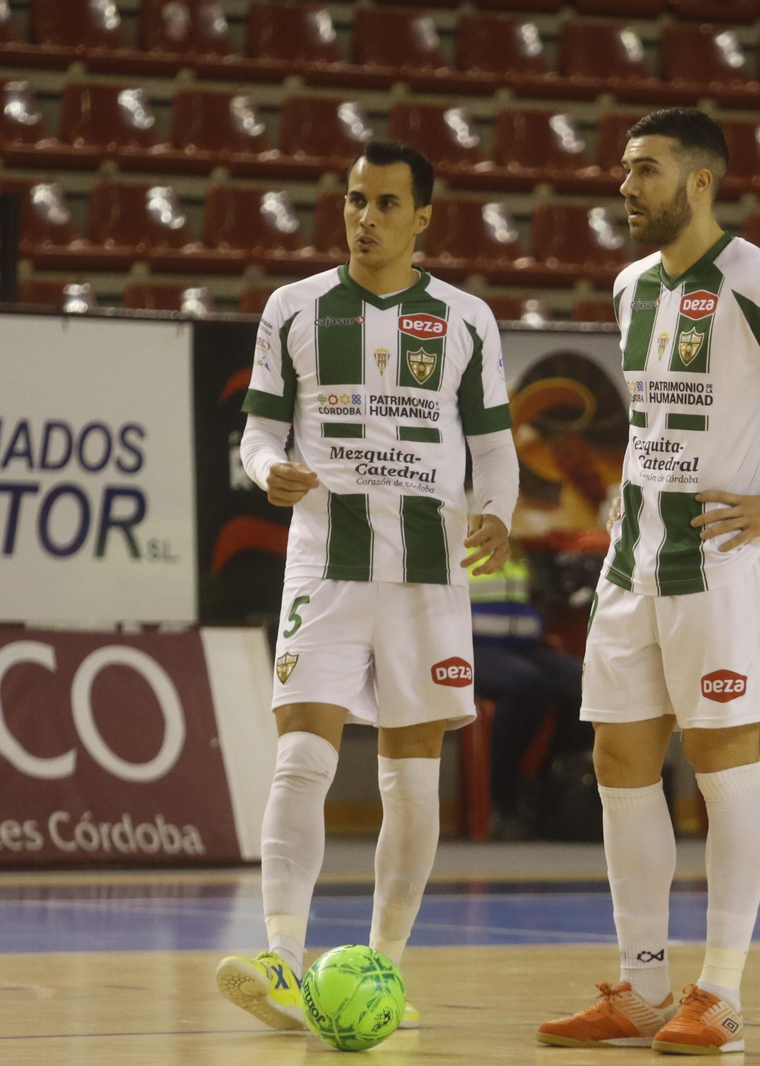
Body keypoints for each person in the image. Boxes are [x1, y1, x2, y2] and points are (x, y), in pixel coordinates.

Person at [535, 108, 760, 1054]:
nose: (624, 187)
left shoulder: (758, 281)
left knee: (721, 765)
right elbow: (661, 416)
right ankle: (644, 992)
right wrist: (624, 491)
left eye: (645, 170)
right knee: (621, 764)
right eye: (623, 169)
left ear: (700, 181)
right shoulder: (628, 287)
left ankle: (723, 993)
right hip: (635, 559)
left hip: (724, 560)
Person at [215, 141, 520, 1032]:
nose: (366, 217)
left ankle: (383, 968)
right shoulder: (294, 306)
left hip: (430, 576)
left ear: (423, 217)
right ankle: (280, 955)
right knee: (303, 755)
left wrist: (495, 511)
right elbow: (259, 432)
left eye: (387, 203)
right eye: (355, 200)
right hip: (325, 564)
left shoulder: (466, 319)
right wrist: (271, 467)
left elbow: (494, 449)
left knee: (412, 786)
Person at [469, 551, 591, 837]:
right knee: (527, 685)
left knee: (586, 684)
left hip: (525, 647)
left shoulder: (514, 551)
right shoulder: (451, 542)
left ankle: (551, 784)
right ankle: (504, 791)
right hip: (471, 648)